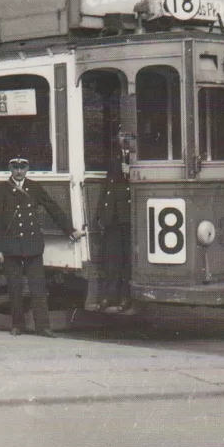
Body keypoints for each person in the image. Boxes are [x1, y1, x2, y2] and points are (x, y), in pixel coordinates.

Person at [0, 157, 82, 337]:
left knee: (38, 287)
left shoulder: (34, 187)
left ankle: (43, 327)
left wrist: (69, 230)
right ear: (10, 168)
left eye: (22, 168)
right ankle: (17, 325)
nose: (19, 172)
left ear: (27, 168)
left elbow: (52, 208)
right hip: (11, 245)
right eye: (15, 168)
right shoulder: (1, 190)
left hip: (32, 244)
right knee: (14, 287)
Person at [96, 128, 134, 312]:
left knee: (127, 260)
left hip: (128, 216)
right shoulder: (115, 159)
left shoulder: (137, 157)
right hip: (113, 216)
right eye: (120, 136)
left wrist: (131, 173)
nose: (123, 140)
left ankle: (126, 298)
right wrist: (100, 214)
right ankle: (110, 296)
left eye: (127, 136)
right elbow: (107, 186)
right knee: (112, 258)